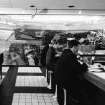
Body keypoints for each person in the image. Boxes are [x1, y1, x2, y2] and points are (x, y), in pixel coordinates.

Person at [55, 39, 92, 105]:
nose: (78, 50)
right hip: (65, 82)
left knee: (82, 85)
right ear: (74, 47)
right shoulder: (70, 55)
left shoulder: (66, 53)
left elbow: (74, 66)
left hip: (59, 80)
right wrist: (85, 63)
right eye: (78, 47)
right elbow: (79, 69)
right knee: (85, 87)